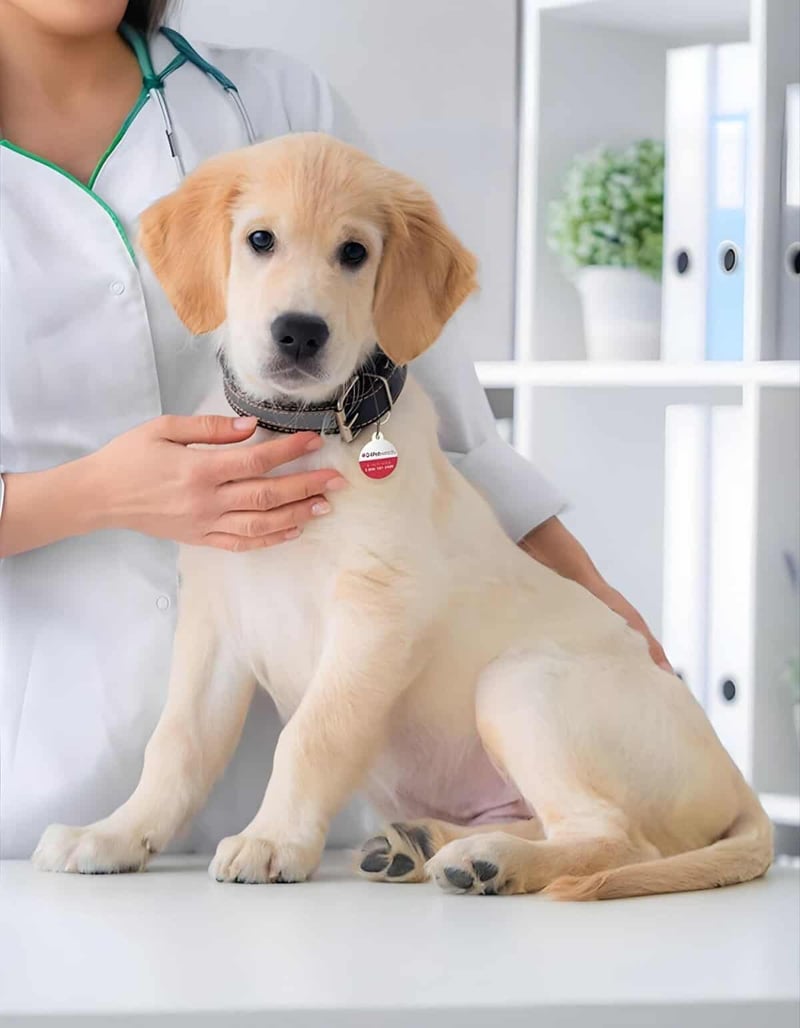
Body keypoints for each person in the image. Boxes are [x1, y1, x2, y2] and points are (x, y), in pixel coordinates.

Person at [0, 0, 669, 860]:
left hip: (310, 804)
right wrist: (88, 495)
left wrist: (603, 617)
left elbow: (443, 420)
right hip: (32, 772)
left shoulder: (274, 103)